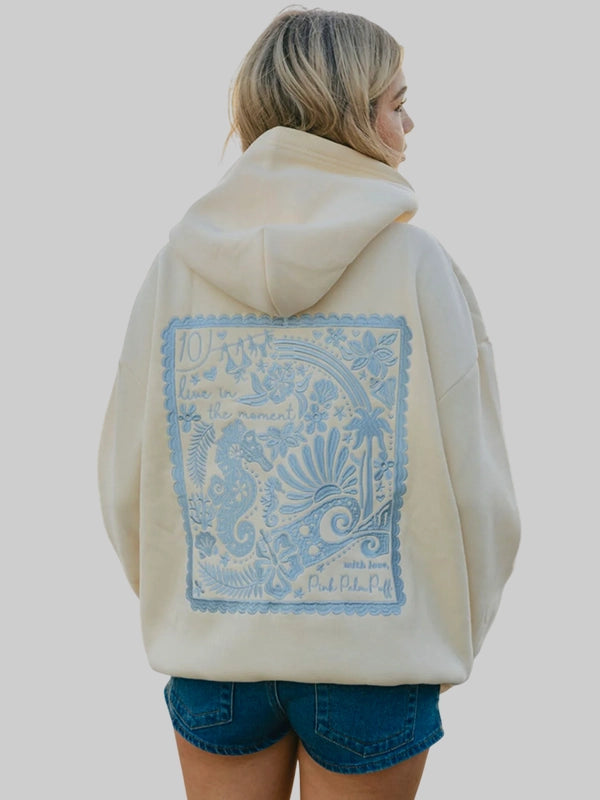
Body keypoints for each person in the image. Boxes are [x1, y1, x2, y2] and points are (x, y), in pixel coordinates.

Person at [98, 7, 520, 799]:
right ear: (349, 112)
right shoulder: (418, 265)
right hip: (377, 661)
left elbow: (126, 476)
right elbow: (481, 490)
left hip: (217, 658)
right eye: (397, 103)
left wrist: (188, 611)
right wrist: (443, 638)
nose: (410, 125)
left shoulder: (176, 267)